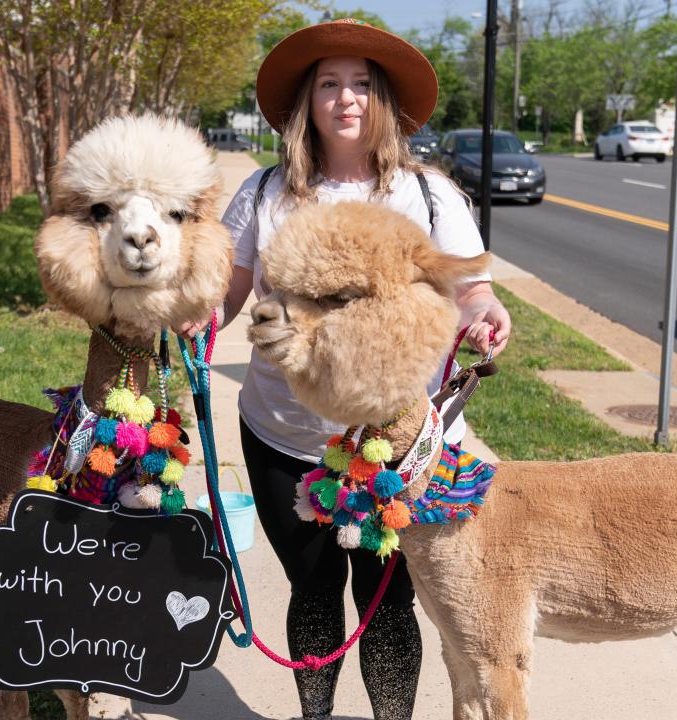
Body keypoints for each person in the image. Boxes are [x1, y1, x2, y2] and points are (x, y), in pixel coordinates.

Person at [183, 18, 511, 720]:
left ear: (382, 100)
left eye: (362, 83)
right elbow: (231, 289)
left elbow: (469, 284)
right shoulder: (267, 194)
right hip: (283, 431)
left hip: (397, 444)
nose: (347, 98)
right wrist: (203, 320)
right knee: (312, 584)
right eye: (329, 84)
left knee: (387, 594)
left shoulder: (427, 196)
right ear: (308, 103)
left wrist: (484, 313)